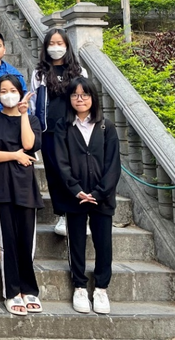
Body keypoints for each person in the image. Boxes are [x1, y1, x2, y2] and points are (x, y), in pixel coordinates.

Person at [55, 76, 120, 315]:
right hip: (75, 196)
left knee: (103, 243)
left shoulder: (106, 126)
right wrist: (75, 189)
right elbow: (61, 162)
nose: (79, 99)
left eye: (84, 94)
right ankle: (80, 285)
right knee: (77, 242)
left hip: (102, 197)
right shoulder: (64, 125)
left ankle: (101, 287)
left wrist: (100, 192)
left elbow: (114, 164)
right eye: (74, 95)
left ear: (93, 98)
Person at [0, 74, 43, 316]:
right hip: (1, 187)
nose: (8, 94)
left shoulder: (33, 120)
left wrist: (24, 113)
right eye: (3, 91)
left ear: (21, 92)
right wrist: (14, 155)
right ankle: (12, 292)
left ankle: (29, 290)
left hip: (26, 187)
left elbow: (29, 144)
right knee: (7, 242)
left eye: (13, 90)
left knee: (27, 241)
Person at [29, 28, 87, 237]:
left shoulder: (79, 72)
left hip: (74, 129)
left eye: (60, 43)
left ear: (67, 46)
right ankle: (62, 214)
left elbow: (87, 100)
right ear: (45, 47)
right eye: (51, 43)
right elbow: (34, 104)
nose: (56, 47)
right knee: (55, 173)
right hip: (49, 130)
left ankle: (80, 212)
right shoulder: (39, 73)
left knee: (77, 170)